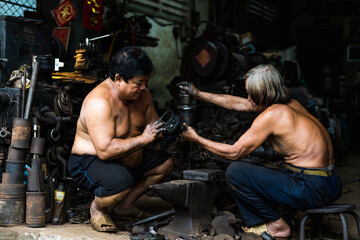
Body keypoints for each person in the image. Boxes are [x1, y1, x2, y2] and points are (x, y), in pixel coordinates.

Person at [180, 64, 342, 239]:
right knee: (274, 169)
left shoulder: (273, 114)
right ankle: (308, 216)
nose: (248, 98)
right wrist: (198, 94)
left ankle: (276, 225)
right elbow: (238, 103)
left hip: (312, 188)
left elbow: (234, 153)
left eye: (252, 94)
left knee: (236, 171)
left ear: (264, 94)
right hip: (331, 183)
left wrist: (197, 139)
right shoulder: (291, 104)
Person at [68, 46, 174, 233]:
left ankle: (125, 205)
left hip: (129, 156)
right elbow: (105, 150)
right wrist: (143, 139)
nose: (144, 88)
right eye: (138, 83)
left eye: (146, 82)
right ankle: (97, 208)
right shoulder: (100, 102)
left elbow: (155, 127)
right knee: (120, 182)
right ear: (118, 79)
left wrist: (170, 128)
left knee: (165, 165)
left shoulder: (143, 96)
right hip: (89, 161)